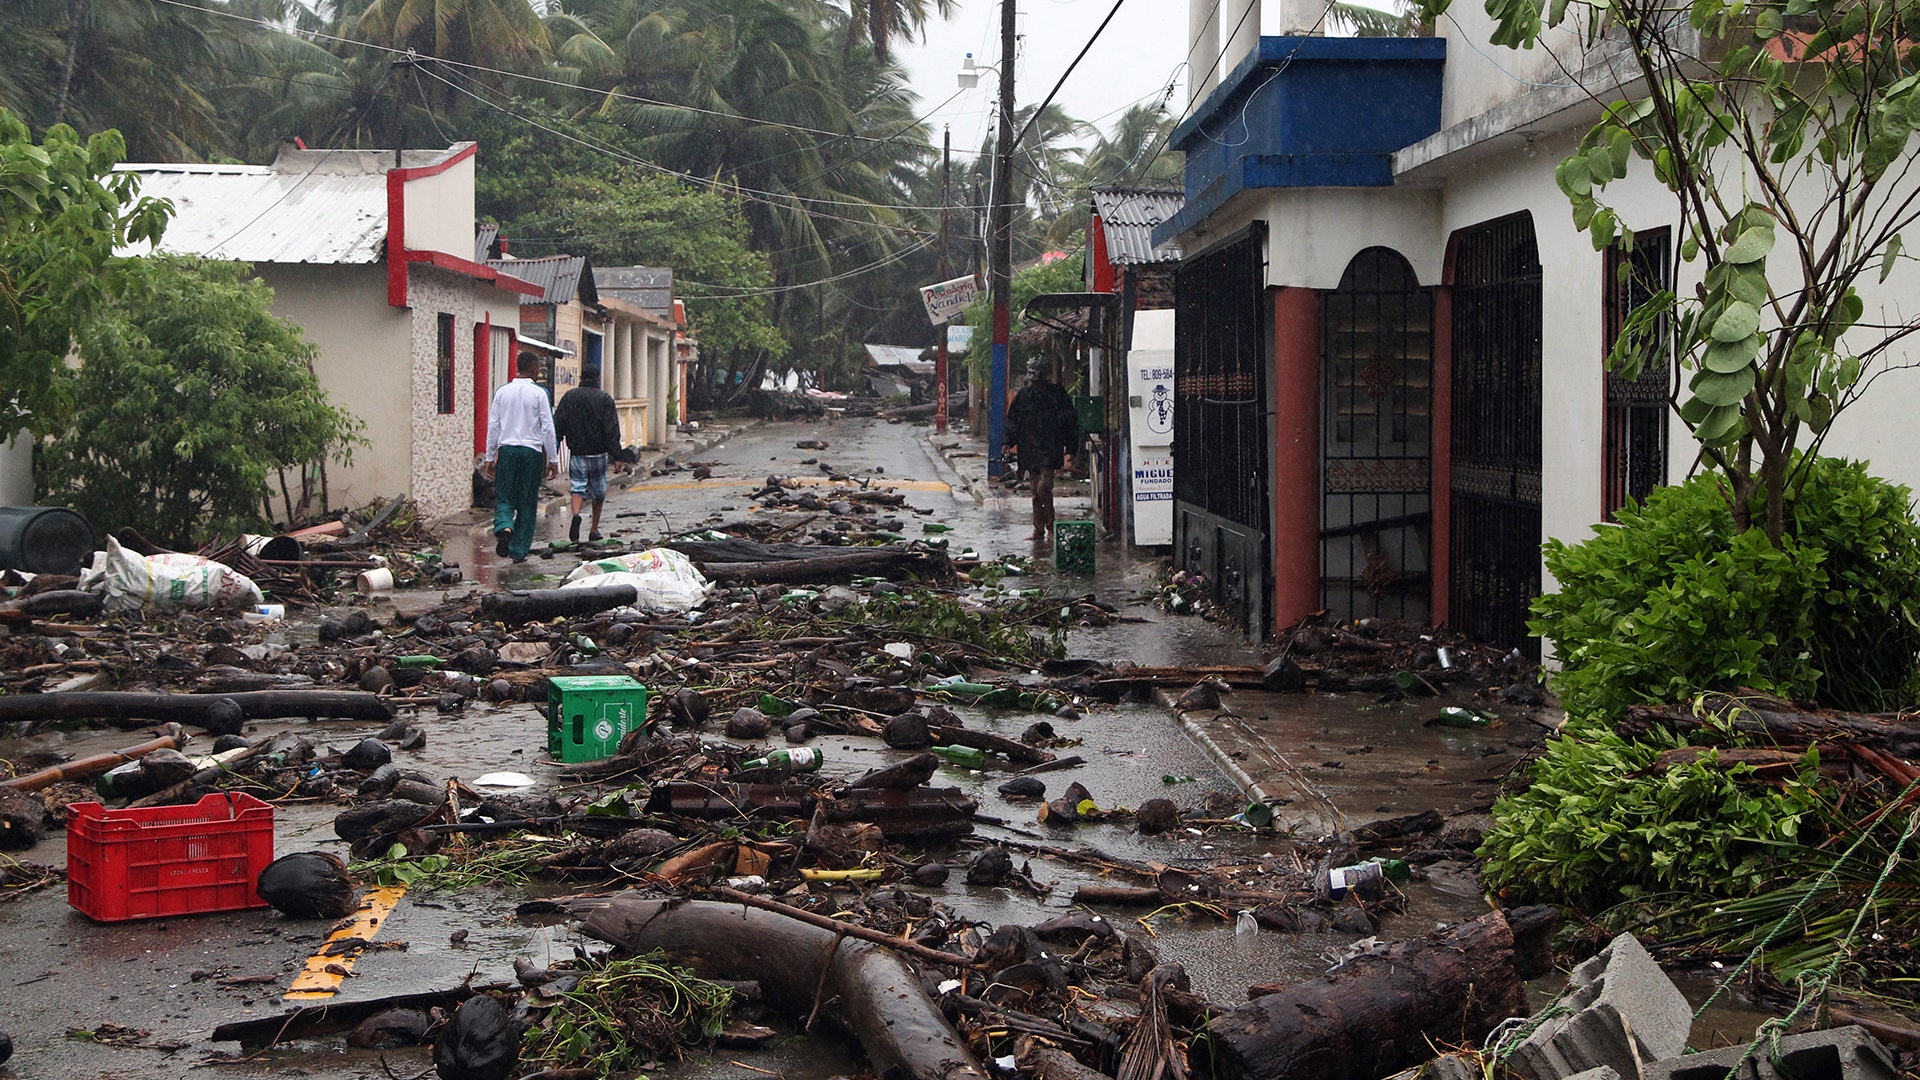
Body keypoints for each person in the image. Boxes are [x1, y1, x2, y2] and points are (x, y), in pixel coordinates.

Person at [483, 351, 559, 563]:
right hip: (531, 452)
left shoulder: (502, 392)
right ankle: (518, 550)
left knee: (505, 495)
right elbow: (547, 428)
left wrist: (490, 456)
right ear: (534, 369)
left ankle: (504, 526)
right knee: (527, 501)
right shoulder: (539, 393)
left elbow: (494, 426)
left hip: (506, 450)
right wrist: (553, 459)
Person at [1003, 357, 1081, 543]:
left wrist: (1071, 448)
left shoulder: (1057, 395)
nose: (1035, 383)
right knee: (1035, 492)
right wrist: (1007, 442)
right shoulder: (1023, 396)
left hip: (1050, 447)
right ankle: (1039, 529)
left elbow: (1071, 423)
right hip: (1029, 448)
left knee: (1044, 487)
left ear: (1044, 377)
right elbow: (1013, 421)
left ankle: (1051, 525)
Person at [551, 363, 624, 543]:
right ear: (597, 378)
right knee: (599, 492)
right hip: (599, 452)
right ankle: (594, 529)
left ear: (581, 378)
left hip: (577, 452)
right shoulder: (604, 398)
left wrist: (554, 447)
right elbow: (611, 428)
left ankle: (576, 515)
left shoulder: (569, 397)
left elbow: (558, 424)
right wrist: (617, 455)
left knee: (577, 486)